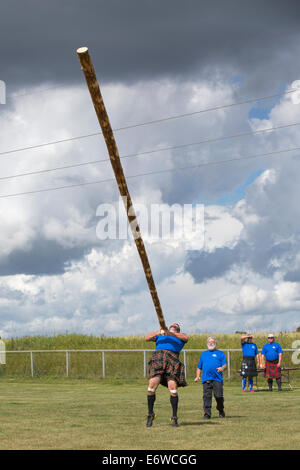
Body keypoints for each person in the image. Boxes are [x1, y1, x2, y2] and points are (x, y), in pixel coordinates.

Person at [145, 323, 188, 427]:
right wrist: (159, 332)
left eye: (176, 326)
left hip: (172, 360)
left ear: (178, 330)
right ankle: (150, 415)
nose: (174, 325)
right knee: (151, 388)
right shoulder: (161, 336)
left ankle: (174, 418)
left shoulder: (180, 337)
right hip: (158, 358)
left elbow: (185, 338)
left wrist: (170, 333)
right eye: (172, 326)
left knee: (173, 389)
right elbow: (147, 338)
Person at [194, 336, 226, 419]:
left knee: (218, 396)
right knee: (206, 397)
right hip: (206, 379)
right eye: (209, 342)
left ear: (215, 343)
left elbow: (224, 365)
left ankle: (221, 410)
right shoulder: (204, 354)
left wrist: (221, 368)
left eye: (212, 342)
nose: (211, 343)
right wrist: (198, 376)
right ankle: (207, 414)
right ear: (207, 344)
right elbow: (199, 367)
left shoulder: (220, 353)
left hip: (217, 378)